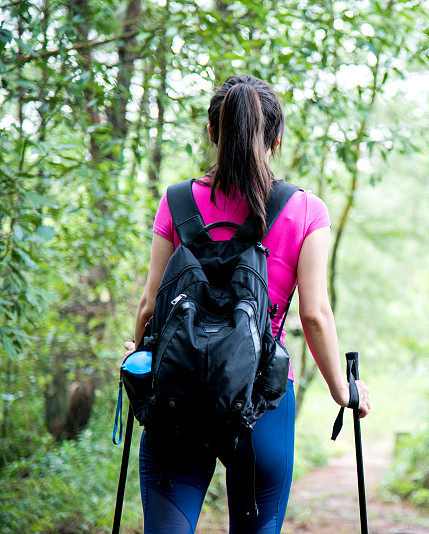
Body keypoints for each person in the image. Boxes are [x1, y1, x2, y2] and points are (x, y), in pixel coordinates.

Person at [122, 74, 371, 534]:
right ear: (275, 139)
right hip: (262, 402)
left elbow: (149, 305)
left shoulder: (177, 201)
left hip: (178, 397)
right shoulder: (305, 209)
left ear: (214, 133)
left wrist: (138, 355)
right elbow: (314, 313)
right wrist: (344, 391)